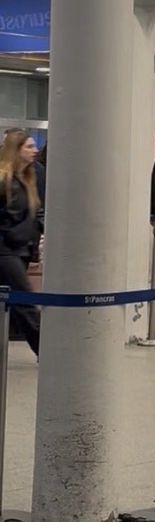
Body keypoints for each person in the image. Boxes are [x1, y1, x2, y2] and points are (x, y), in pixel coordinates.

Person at [0, 130, 42, 357]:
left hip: (20, 251)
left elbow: (35, 214)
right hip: (6, 252)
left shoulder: (29, 179)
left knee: (15, 305)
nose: (35, 150)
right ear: (16, 151)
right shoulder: (3, 179)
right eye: (28, 146)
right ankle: (47, 353)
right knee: (25, 305)